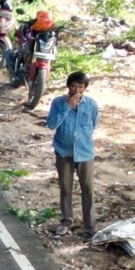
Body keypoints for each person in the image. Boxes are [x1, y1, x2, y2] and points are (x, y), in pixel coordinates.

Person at [45, 70, 98, 235]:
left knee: (88, 189)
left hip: (85, 152)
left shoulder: (91, 105)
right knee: (66, 187)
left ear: (85, 88)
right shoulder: (58, 103)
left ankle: (90, 226)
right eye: (74, 86)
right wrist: (68, 107)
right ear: (68, 86)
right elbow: (52, 124)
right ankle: (67, 220)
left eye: (80, 87)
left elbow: (93, 125)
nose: (77, 90)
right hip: (63, 151)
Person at [15, 8, 59, 109]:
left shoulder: (51, 30)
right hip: (30, 50)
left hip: (43, 53)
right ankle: (20, 70)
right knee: (23, 50)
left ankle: (35, 93)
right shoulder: (32, 28)